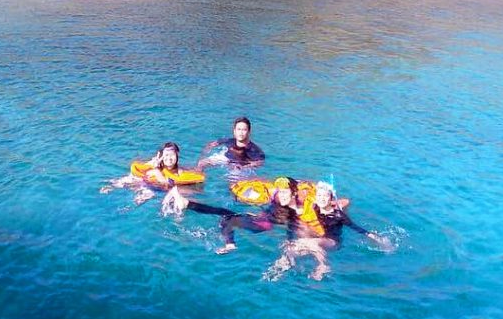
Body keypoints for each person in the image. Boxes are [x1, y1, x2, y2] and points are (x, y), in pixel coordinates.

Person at [269, 181, 384, 280]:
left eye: (325, 196)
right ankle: (285, 262)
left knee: (311, 242)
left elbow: (359, 229)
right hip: (318, 239)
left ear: (330, 199)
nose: (321, 199)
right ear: (315, 198)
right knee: (291, 247)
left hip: (333, 242)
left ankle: (323, 265)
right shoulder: (315, 209)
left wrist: (379, 240)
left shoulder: (338, 215)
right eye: (319, 196)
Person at [164, 176, 303, 254]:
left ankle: (230, 244)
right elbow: (272, 197)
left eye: (286, 192)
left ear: (293, 194)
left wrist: (290, 243)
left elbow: (291, 228)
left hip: (261, 225)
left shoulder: (295, 212)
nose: (282, 195)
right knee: (222, 211)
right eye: (281, 192)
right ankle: (186, 203)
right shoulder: (278, 199)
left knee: (229, 219)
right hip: (257, 217)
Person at [198, 117, 265, 170]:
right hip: (226, 159)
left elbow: (259, 162)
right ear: (234, 131)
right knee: (202, 163)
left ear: (249, 132)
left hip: (240, 166)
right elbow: (212, 144)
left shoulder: (255, 150)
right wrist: (204, 153)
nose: (241, 133)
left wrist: (246, 167)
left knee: (233, 178)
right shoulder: (229, 141)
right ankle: (198, 181)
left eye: (244, 130)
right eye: (238, 129)